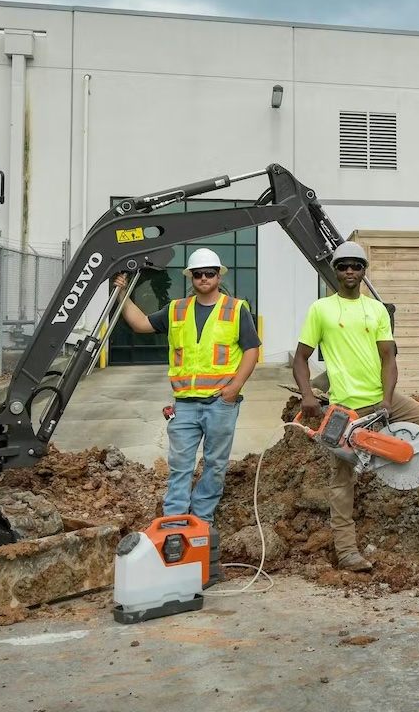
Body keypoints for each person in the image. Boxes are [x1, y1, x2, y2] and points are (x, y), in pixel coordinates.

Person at [292, 241, 419, 572]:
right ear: (334, 272)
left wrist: (388, 400)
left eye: (356, 265)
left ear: (364, 271)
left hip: (380, 399)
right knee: (342, 477)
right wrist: (308, 395)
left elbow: (388, 358)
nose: (350, 271)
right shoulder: (321, 309)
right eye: (343, 266)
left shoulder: (376, 310)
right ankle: (347, 550)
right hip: (343, 408)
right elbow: (301, 358)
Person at [114, 247, 261, 585]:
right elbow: (139, 323)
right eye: (198, 274)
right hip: (185, 404)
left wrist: (234, 387)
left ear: (219, 276)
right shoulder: (177, 310)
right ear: (191, 278)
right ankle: (176, 531)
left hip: (220, 402)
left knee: (215, 465)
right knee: (179, 467)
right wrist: (121, 292)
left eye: (210, 273)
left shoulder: (236, 309)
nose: (204, 278)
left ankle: (202, 525)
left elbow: (251, 349)